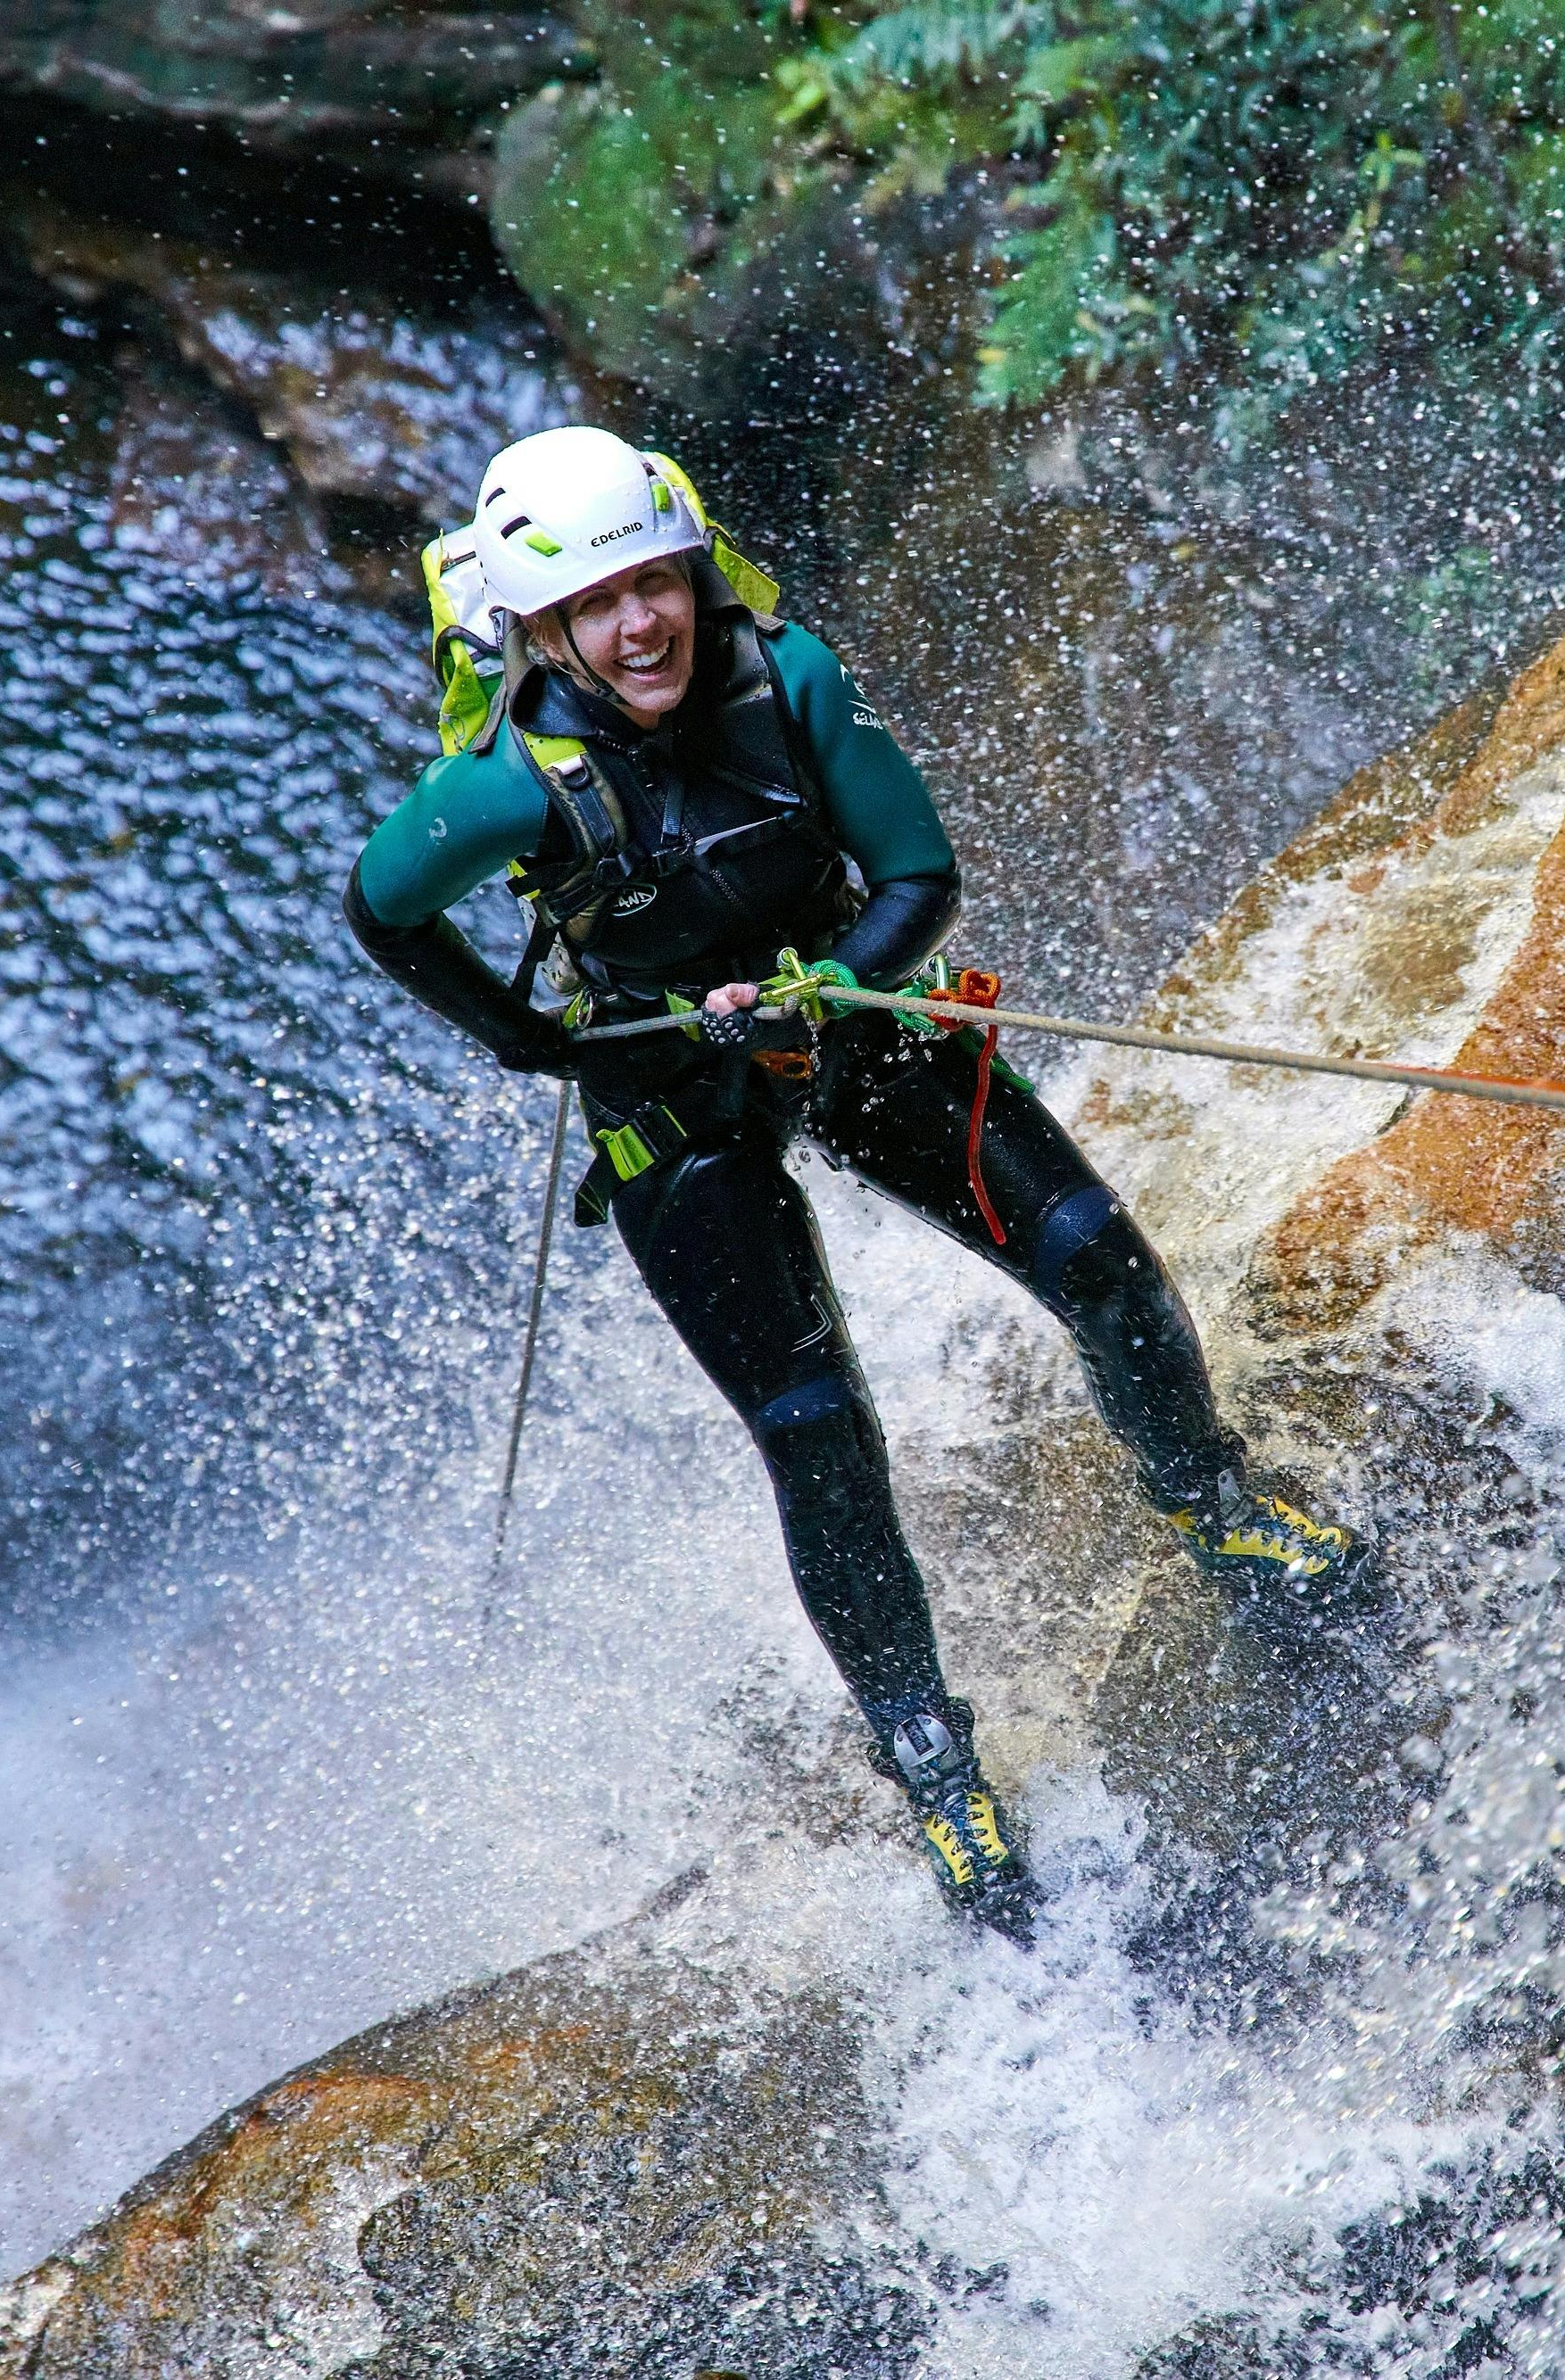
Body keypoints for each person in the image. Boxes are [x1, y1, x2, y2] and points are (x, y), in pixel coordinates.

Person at [344, 426, 1367, 1932]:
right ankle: (928, 1750)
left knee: (1096, 1254)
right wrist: (532, 1042)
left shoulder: (793, 682)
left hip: (856, 1018)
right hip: (670, 1099)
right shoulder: (504, 790)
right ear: (542, 634)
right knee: (817, 1433)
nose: (642, 626)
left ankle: (1211, 1500)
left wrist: (831, 989)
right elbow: (382, 911)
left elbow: (918, 876)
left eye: (655, 583)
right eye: (596, 607)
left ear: (694, 572)